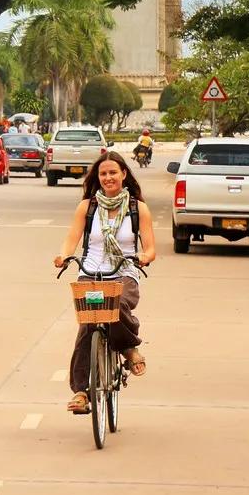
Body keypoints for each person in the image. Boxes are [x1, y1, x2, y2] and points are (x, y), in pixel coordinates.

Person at [54, 151, 156, 414]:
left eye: (113, 172)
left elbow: (150, 247)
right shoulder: (87, 207)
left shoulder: (138, 208)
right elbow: (72, 239)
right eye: (103, 174)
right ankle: (81, 392)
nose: (108, 177)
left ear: (123, 174)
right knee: (88, 326)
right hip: (90, 270)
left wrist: (144, 257)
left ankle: (128, 346)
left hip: (125, 271)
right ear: (97, 178)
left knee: (118, 303)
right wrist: (64, 256)